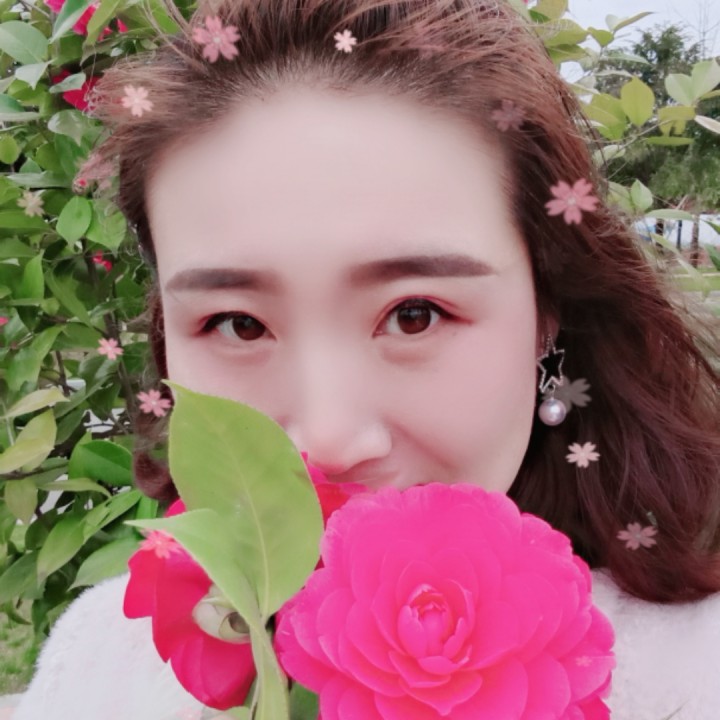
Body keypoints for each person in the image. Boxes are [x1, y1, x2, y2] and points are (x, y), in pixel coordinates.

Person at [13, 0, 720, 718]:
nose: (329, 441)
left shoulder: (694, 676)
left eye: (415, 315)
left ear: (546, 315)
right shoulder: (101, 672)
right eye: (238, 324)